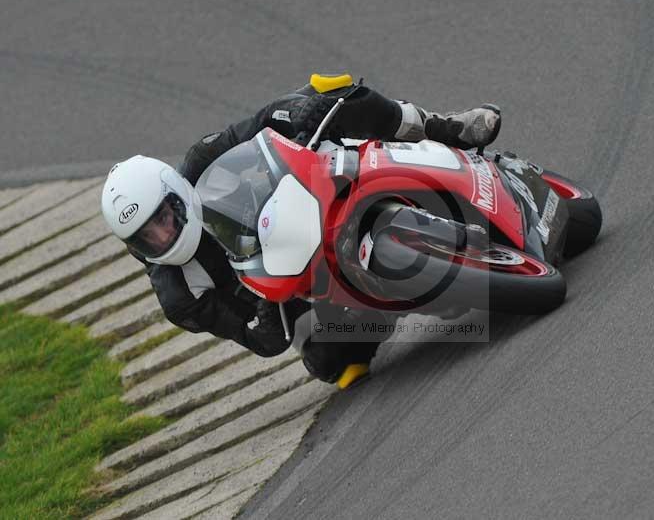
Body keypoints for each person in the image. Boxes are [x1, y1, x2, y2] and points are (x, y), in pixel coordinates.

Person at [101, 74, 501, 388]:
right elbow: (258, 340)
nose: (162, 235)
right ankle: (397, 293)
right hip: (294, 291)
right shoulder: (179, 296)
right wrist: (265, 314)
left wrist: (298, 114)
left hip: (304, 199)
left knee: (333, 92)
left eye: (162, 217)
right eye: (146, 236)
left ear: (174, 193)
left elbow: (262, 121)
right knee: (331, 362)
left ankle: (445, 129)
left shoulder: (203, 159)